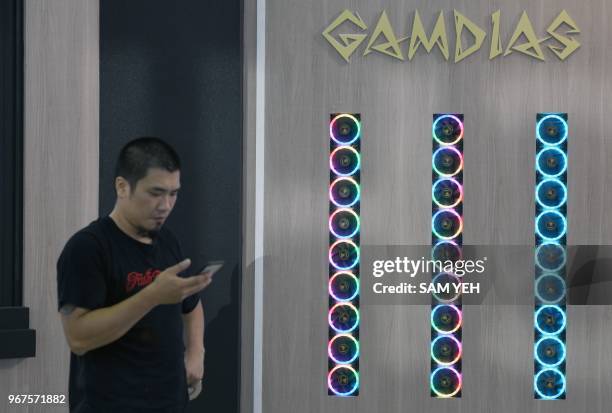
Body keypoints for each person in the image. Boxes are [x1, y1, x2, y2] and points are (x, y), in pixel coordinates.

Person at [56, 137, 212, 412]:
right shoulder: (88, 248)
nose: (165, 205)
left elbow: (192, 305)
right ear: (122, 187)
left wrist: (196, 352)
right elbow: (78, 337)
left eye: (173, 193)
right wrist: (151, 295)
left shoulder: (168, 241)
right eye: (155, 192)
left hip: (170, 403)